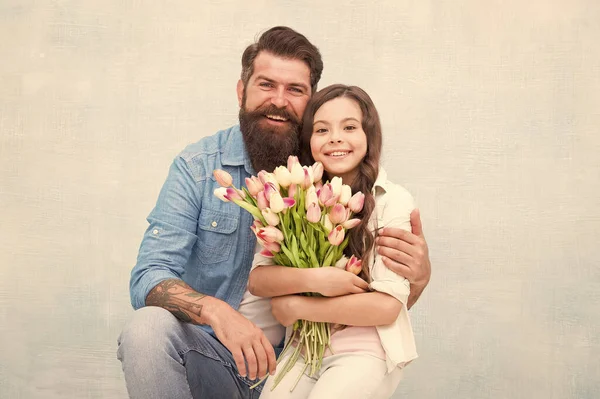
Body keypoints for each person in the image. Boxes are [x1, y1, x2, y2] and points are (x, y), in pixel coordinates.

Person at [117, 26, 431, 399]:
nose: (279, 101)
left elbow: (376, 296)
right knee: (145, 329)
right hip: (217, 356)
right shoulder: (199, 167)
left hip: (306, 359)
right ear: (241, 90)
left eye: (295, 90)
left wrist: (419, 281)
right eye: (267, 85)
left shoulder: (331, 174)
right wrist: (219, 313)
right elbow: (149, 275)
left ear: (312, 100)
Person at [249, 84, 418, 399]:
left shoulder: (391, 200)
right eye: (322, 129)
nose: (335, 138)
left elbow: (387, 307)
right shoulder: (293, 199)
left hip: (365, 351)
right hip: (302, 352)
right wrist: (319, 280)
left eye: (349, 127)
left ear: (369, 136)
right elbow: (259, 280)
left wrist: (298, 305)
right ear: (308, 141)